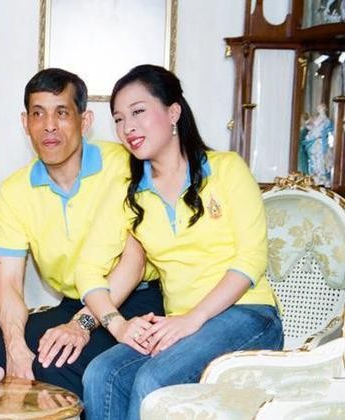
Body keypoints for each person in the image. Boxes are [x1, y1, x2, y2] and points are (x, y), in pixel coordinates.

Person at [80, 64, 284, 420]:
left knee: (154, 381)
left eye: (138, 111)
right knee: (101, 374)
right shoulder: (129, 193)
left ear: (173, 112)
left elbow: (251, 257)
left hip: (248, 314)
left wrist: (192, 319)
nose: (127, 127)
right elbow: (87, 270)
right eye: (119, 119)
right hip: (179, 325)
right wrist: (118, 325)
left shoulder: (226, 168)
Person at [0, 68, 164, 398]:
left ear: (85, 121)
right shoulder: (15, 189)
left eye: (61, 113)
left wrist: (80, 325)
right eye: (38, 114)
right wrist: (15, 347)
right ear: (25, 122)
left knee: (54, 365)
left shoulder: (124, 164)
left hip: (135, 299)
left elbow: (135, 261)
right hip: (73, 302)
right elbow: (10, 282)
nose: (49, 126)